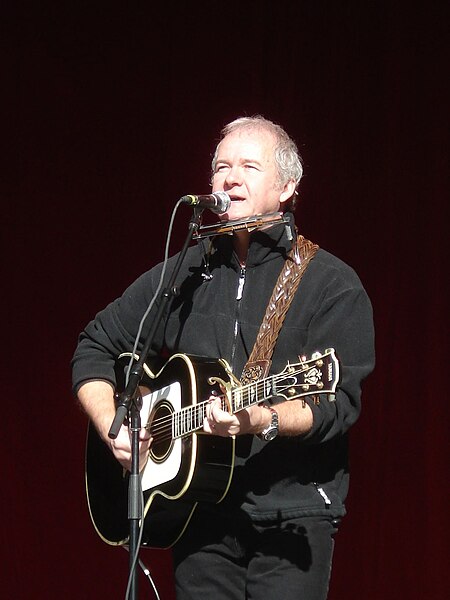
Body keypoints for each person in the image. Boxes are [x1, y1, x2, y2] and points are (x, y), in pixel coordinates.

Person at [71, 115, 375, 599]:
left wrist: (262, 418)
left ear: (287, 186)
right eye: (220, 167)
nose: (229, 178)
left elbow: (335, 402)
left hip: (290, 520)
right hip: (198, 514)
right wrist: (116, 426)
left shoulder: (332, 285)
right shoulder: (187, 272)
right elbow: (94, 345)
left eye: (248, 166)